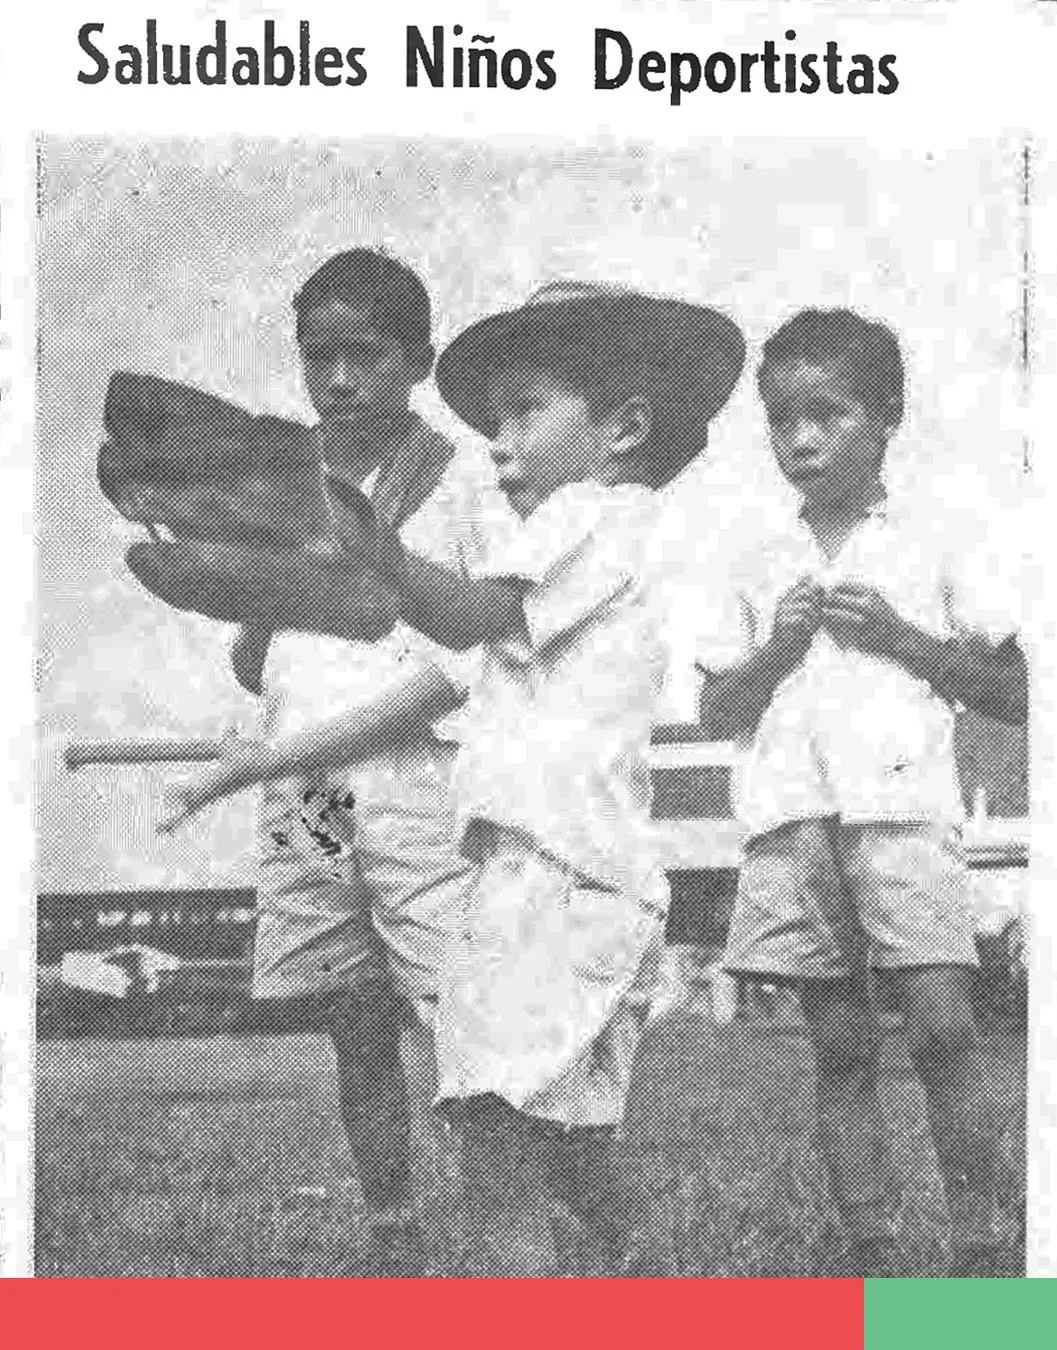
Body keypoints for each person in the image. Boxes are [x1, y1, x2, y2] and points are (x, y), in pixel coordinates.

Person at [161, 280, 746, 1275]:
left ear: (624, 429)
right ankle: (645, 1276)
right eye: (495, 417)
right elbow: (435, 639)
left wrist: (372, 548)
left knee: (490, 1126)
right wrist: (300, 582)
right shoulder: (586, 528)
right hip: (548, 869)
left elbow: (464, 619)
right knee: (547, 1133)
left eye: (525, 412)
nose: (499, 439)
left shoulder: (589, 514)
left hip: (557, 874)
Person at [144, 247, 511, 1275]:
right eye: (320, 358)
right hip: (309, 789)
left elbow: (463, 659)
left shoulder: (460, 481)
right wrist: (244, 574)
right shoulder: (284, 482)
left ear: (418, 360)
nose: (340, 379)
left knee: (454, 1008)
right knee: (351, 1016)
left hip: (413, 777)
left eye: (367, 355)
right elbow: (258, 659)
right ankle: (393, 1233)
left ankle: (503, 1230)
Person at [696, 307, 1027, 1277]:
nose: (801, 439)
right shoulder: (754, 552)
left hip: (903, 816)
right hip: (793, 821)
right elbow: (717, 710)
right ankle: (868, 1251)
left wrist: (900, 638)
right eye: (782, 419)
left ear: (886, 418)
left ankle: (983, 1243)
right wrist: (778, 647)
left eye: (828, 414)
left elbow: (1014, 690)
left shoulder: (933, 537)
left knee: (943, 1029)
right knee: (839, 1048)